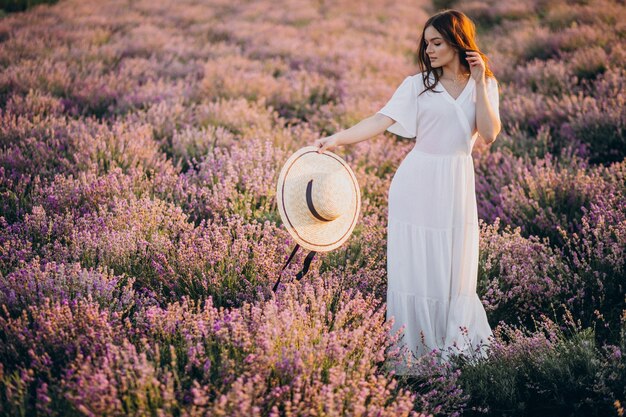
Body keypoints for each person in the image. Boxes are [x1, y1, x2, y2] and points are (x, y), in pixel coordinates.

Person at [313, 9, 500, 373]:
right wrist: (336, 139)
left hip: (456, 181)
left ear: (458, 43)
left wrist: (478, 81)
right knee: (416, 266)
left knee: (453, 266)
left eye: (437, 43)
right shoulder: (417, 85)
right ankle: (415, 354)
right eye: (426, 43)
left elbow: (489, 135)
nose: (428, 50)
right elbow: (379, 121)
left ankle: (454, 346)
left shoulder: (486, 84)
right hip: (416, 182)